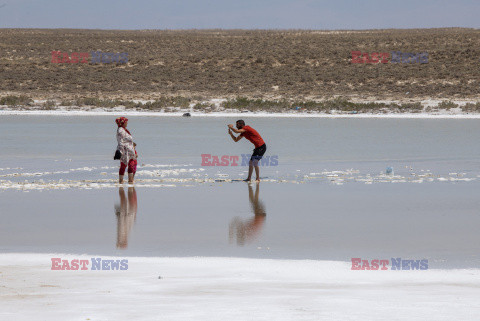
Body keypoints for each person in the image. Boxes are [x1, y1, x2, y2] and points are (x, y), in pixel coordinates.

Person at [115, 117, 137, 184]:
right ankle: (122, 181)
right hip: (125, 150)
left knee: (131, 164)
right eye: (126, 122)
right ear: (123, 123)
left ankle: (130, 180)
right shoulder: (121, 130)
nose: (127, 123)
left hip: (129, 150)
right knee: (124, 165)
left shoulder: (124, 130)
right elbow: (121, 141)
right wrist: (120, 151)